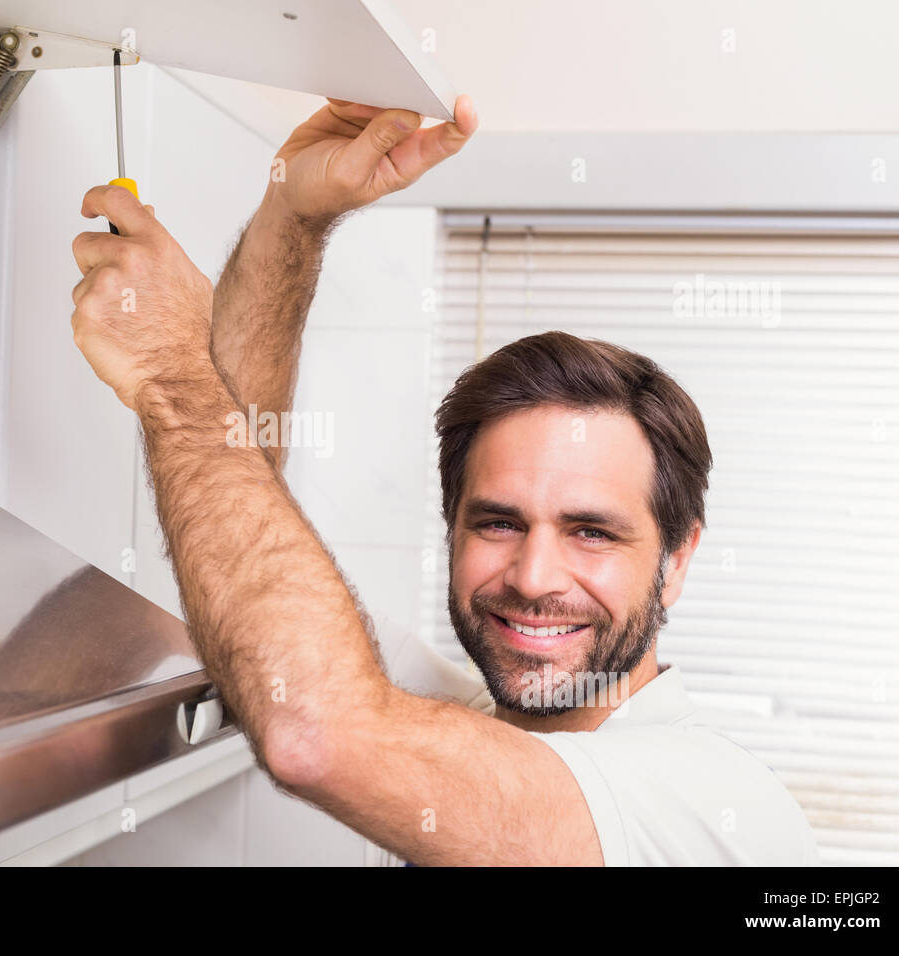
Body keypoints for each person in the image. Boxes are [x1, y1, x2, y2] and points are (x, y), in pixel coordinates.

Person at [67, 94, 820, 865]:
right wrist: (291, 218)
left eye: (591, 531)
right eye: (498, 522)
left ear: (678, 561)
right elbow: (253, 592)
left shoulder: (708, 801)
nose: (532, 577)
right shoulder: (459, 713)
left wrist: (172, 379)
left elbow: (317, 731)